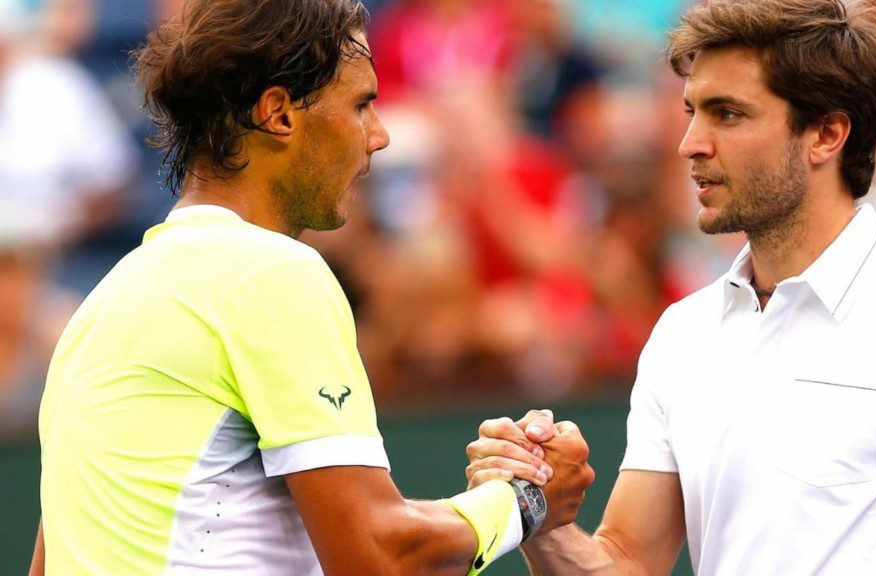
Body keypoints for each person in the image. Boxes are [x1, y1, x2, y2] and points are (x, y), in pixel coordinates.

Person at [31, 1, 595, 574]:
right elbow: (377, 555)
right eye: (361, 104)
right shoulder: (270, 272)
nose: (379, 136)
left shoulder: (99, 305)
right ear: (278, 114)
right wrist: (528, 501)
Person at [464, 0, 876, 574]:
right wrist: (538, 510)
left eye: (727, 114)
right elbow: (627, 562)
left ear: (827, 134)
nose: (691, 142)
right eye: (692, 112)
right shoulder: (683, 335)